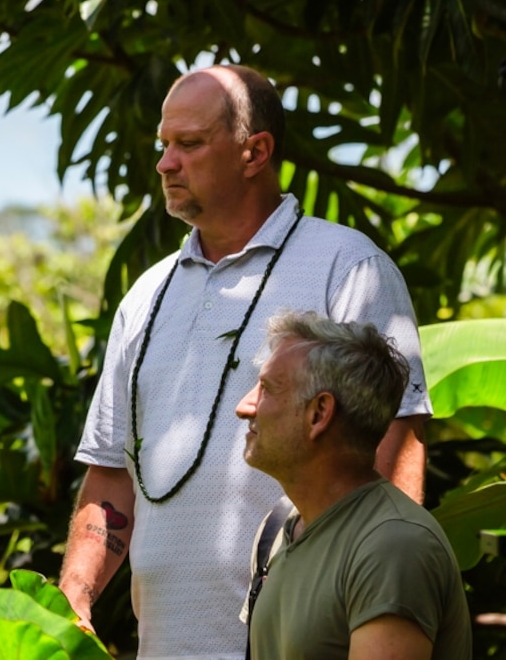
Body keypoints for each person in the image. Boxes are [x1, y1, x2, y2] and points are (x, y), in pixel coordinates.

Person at [57, 64, 432, 658]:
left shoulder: (347, 267)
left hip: (306, 641)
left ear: (255, 152)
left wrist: (369, 620)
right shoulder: (145, 299)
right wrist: (73, 599)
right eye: (163, 145)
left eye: (190, 144)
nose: (165, 163)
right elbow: (110, 475)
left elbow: (393, 451)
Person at [238, 311, 470, 659]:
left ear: (319, 414)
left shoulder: (392, 546)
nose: (245, 407)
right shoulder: (277, 529)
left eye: (267, 389)